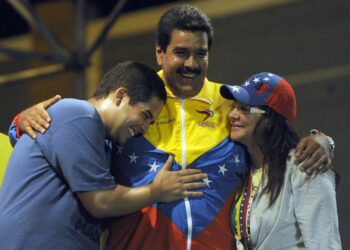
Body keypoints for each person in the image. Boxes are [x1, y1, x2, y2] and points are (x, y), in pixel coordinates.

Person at [8, 5, 335, 250]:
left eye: (200, 54)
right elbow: (66, 131)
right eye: (181, 53)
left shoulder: (231, 106)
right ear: (160, 52)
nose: (191, 64)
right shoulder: (132, 104)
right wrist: (21, 122)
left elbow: (276, 138)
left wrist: (322, 141)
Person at [0, 61, 208, 250]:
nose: (144, 128)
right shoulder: (78, 114)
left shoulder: (102, 145)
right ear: (120, 95)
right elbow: (100, 201)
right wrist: (157, 191)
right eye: (145, 115)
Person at [220, 72, 341, 249]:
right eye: (234, 106)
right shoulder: (243, 170)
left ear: (270, 119)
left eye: (244, 109)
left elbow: (324, 243)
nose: (232, 115)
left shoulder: (305, 165)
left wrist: (327, 141)